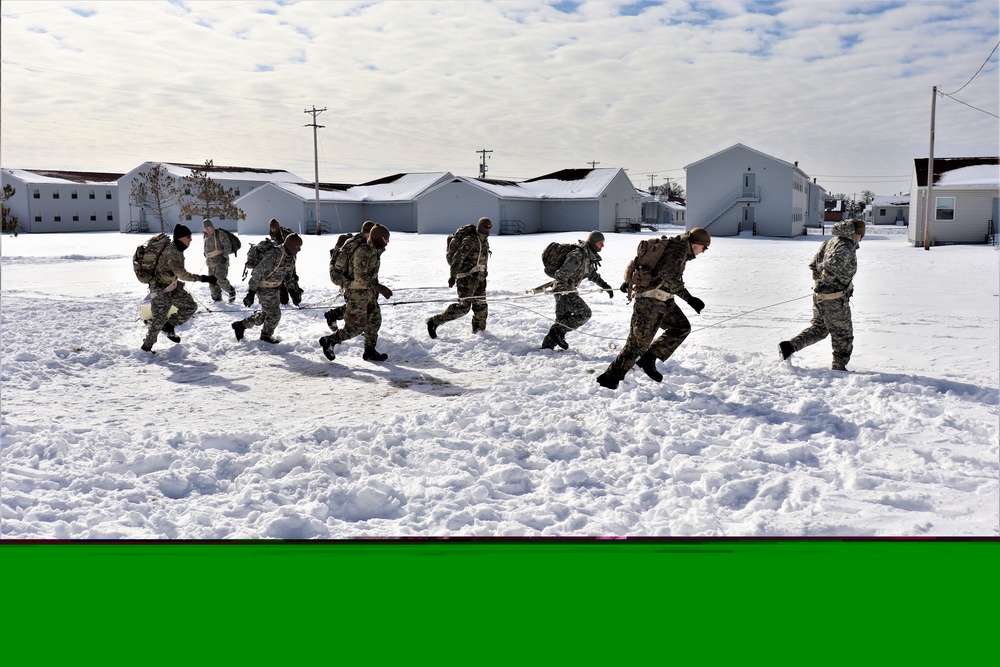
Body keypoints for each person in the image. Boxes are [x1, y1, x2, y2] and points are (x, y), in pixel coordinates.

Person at [596, 227, 711, 390]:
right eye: (704, 248)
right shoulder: (677, 251)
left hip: (663, 300)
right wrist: (689, 299)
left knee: (681, 327)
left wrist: (631, 281)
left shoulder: (676, 247)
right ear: (695, 244)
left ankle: (649, 358)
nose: (703, 252)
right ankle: (608, 380)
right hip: (650, 302)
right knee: (636, 345)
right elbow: (668, 277)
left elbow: (651, 268)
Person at [779, 219, 864, 371]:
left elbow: (813, 264)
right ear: (855, 233)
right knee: (843, 334)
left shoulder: (830, 242)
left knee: (820, 329)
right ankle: (839, 368)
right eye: (861, 235)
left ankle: (788, 347)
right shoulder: (845, 246)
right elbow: (831, 266)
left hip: (821, 296)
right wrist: (827, 282)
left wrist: (820, 281)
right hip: (834, 298)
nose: (861, 239)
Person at [319, 223, 393, 362]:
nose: (388, 241)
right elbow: (361, 278)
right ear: (378, 238)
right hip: (356, 293)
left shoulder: (374, 250)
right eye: (386, 238)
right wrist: (380, 288)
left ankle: (369, 351)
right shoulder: (364, 252)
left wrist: (375, 289)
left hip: (367, 292)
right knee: (356, 327)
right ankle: (330, 340)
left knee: (375, 319)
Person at [141, 224, 218, 353]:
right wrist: (204, 278)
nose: (191, 240)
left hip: (172, 286)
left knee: (190, 306)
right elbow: (182, 275)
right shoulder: (172, 253)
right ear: (180, 238)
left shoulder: (177, 249)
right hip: (160, 289)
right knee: (158, 320)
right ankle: (146, 348)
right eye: (188, 237)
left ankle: (169, 325)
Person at [541, 231, 614, 350]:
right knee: (585, 313)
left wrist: (605, 285)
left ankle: (546, 349)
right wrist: (563, 294)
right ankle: (557, 332)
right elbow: (561, 275)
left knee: (562, 320)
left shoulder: (587, 256)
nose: (602, 246)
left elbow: (592, 274)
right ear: (593, 242)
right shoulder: (578, 255)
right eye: (600, 243)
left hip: (568, 290)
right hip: (563, 291)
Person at [232, 232, 304, 344]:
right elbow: (257, 273)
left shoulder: (291, 257)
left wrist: (292, 292)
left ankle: (241, 325)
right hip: (263, 288)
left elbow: (289, 277)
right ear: (290, 246)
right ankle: (265, 336)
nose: (299, 250)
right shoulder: (274, 254)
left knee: (264, 315)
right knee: (275, 315)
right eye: (297, 247)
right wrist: (251, 293)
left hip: (275, 289)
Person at [427, 216, 491, 339]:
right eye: (486, 227)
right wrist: (452, 276)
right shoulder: (470, 240)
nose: (489, 229)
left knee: (481, 307)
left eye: (490, 227)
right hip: (467, 280)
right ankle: (434, 321)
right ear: (480, 227)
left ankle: (479, 333)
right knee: (463, 308)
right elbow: (457, 259)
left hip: (480, 279)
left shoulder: (484, 240)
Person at [324, 220, 376, 329]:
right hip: (347, 279)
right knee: (358, 305)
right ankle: (335, 317)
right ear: (368, 233)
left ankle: (336, 316)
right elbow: (341, 267)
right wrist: (349, 283)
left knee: (362, 304)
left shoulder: (364, 242)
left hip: (356, 279)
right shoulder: (356, 244)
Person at [202, 218, 237, 303]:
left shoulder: (220, 234)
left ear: (212, 226)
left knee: (220, 279)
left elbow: (227, 246)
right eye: (205, 228)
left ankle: (231, 291)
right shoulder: (205, 236)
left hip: (221, 261)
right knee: (212, 282)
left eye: (208, 227)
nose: (207, 229)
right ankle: (217, 298)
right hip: (210, 262)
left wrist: (224, 257)